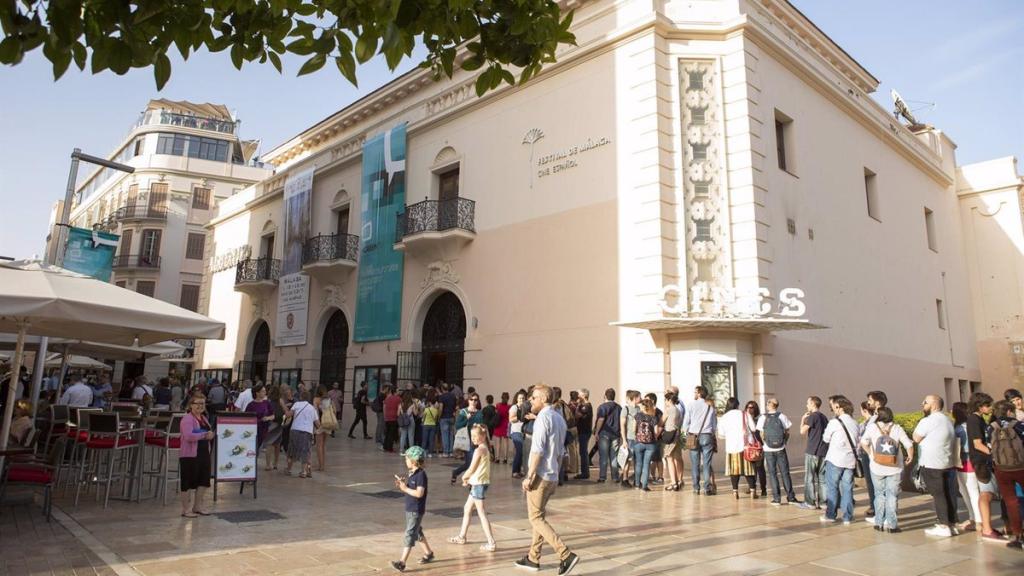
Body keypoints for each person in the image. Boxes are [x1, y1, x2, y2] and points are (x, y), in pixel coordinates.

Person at [514, 383, 579, 575]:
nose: (530, 401)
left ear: (543, 399)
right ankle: (533, 558)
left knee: (535, 518)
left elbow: (538, 450)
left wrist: (530, 476)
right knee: (539, 517)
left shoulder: (543, 418)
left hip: (541, 475)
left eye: (533, 398)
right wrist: (556, 474)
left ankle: (565, 554)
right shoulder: (558, 418)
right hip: (552, 474)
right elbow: (560, 450)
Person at [859, 406, 914, 533]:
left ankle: (878, 523)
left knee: (879, 495)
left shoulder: (872, 427)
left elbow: (863, 442)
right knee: (892, 496)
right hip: (895, 468)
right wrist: (910, 456)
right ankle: (892, 525)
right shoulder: (897, 428)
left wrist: (871, 455)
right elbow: (908, 444)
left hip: (876, 467)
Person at [912, 394, 959, 537]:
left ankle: (943, 525)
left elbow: (916, 437)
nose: (922, 404)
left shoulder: (928, 421)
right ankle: (952, 524)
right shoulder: (947, 420)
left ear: (933, 405)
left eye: (925, 402)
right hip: (947, 462)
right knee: (948, 494)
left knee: (938, 494)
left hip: (932, 463)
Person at [959, 393, 1003, 540]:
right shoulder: (973, 420)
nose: (990, 408)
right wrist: (994, 454)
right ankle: (986, 528)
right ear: (979, 406)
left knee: (986, 493)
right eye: (987, 405)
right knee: (986, 494)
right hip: (981, 462)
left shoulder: (979, 419)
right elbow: (977, 444)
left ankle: (986, 527)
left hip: (983, 461)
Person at [449, 424, 498, 551]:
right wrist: (469, 479)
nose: (473, 438)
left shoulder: (479, 450)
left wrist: (464, 477)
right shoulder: (485, 448)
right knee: (467, 508)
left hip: (478, 485)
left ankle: (491, 542)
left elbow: (472, 468)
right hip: (479, 483)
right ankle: (462, 536)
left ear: (483, 436)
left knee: (481, 512)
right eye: (472, 436)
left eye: (476, 436)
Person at [391, 446, 436, 572]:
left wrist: (405, 489)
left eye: (407, 459)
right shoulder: (413, 473)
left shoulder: (421, 475)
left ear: (414, 461)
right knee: (417, 531)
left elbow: (419, 493)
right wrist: (403, 484)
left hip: (416, 510)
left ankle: (402, 562)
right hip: (411, 508)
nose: (405, 461)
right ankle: (428, 553)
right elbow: (412, 488)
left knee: (410, 534)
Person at [989, 399, 1024, 549]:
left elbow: (989, 447)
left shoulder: (991, 427)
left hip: (1002, 469)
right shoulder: (1019, 425)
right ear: (1009, 411)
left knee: (1011, 502)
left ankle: (1017, 535)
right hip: (1021, 467)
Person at [821, 395, 859, 525]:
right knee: (848, 489)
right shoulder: (855, 423)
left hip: (835, 459)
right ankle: (848, 517)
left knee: (832, 488)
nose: (833, 410)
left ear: (839, 407)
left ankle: (831, 515)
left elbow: (825, 438)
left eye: (834, 407)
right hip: (850, 461)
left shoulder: (834, 422)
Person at [757, 398, 798, 505]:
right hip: (781, 448)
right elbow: (787, 431)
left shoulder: (763, 417)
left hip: (768, 449)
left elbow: (761, 433)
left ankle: (777, 499)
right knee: (785, 473)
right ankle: (791, 497)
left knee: (772, 474)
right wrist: (784, 442)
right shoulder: (782, 416)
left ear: (769, 405)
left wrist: (765, 443)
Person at [179, 393, 214, 518]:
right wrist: (204, 435)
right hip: (189, 455)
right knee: (187, 482)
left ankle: (197, 506)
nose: (200, 406)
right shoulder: (187, 419)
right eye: (197, 403)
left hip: (203, 453)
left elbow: (208, 432)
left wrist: (210, 435)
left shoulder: (204, 418)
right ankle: (186, 509)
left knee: (203, 480)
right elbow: (188, 436)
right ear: (191, 405)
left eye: (202, 403)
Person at [719, 397, 757, 499]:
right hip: (746, 446)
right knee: (748, 469)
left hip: (732, 447)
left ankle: (735, 491)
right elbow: (753, 428)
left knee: (734, 470)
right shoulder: (745, 414)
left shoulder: (724, 417)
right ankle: (752, 490)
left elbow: (721, 435)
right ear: (737, 405)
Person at [683, 385, 717, 495]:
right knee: (707, 464)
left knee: (695, 464)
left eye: (695, 392)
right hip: (707, 435)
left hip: (692, 435)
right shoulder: (710, 407)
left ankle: (696, 488)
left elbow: (686, 422)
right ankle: (707, 488)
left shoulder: (691, 405)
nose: (694, 394)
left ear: (699, 393)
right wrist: (712, 434)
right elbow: (714, 424)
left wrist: (686, 433)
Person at [799, 396, 829, 510]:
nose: (806, 405)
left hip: (812, 451)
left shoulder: (812, 416)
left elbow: (802, 431)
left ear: (812, 404)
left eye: (808, 403)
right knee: (822, 479)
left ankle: (810, 502)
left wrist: (803, 419)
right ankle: (823, 502)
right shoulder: (824, 417)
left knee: (809, 478)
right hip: (823, 451)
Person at [286, 389, 319, 478]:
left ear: (301, 397)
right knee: (305, 451)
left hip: (295, 429)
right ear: (309, 398)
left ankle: (289, 469)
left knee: (292, 450)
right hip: (307, 432)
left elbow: (288, 415)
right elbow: (317, 423)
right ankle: (304, 471)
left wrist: (284, 407)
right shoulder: (312, 408)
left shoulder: (296, 404)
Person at [452, 393, 485, 483]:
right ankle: (471, 481)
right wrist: (467, 419)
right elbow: (458, 425)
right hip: (467, 440)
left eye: (475, 400)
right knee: (471, 462)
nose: (473, 401)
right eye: (471, 399)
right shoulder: (463, 412)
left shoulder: (479, 412)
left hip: (477, 440)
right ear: (468, 400)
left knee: (469, 463)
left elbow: (482, 425)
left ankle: (455, 472)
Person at [593, 388, 622, 483]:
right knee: (614, 456)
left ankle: (602, 477)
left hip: (604, 434)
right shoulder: (619, 407)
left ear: (605, 396)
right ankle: (615, 477)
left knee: (603, 456)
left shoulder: (602, 407)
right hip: (616, 434)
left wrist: (596, 432)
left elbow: (601, 420)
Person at [632, 397, 661, 491]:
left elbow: (633, 429)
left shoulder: (637, 416)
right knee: (646, 464)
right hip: (651, 444)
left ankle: (637, 484)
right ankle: (644, 485)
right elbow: (656, 432)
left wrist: (637, 436)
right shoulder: (653, 418)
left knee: (638, 463)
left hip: (638, 443)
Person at [245, 384, 276, 470]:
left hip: (264, 430)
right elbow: (246, 418)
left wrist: (268, 418)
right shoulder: (251, 405)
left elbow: (273, 415)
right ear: (257, 393)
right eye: (263, 391)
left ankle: (252, 468)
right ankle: (250, 467)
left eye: (265, 391)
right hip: (253, 430)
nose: (265, 392)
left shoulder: (267, 403)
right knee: (253, 449)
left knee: (258, 449)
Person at [659, 391, 682, 491]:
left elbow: (661, 422)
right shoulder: (678, 410)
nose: (665, 402)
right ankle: (676, 481)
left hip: (669, 436)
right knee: (674, 458)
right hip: (676, 435)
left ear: (669, 400)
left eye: (665, 400)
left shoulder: (668, 410)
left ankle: (673, 483)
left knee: (669, 459)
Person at [618, 390, 641, 488]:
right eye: (639, 397)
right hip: (629, 438)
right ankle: (625, 479)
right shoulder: (625, 409)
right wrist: (624, 440)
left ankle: (637, 480)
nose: (641, 399)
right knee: (628, 459)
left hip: (639, 439)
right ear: (634, 398)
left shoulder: (639, 409)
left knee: (638, 460)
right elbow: (622, 426)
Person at [745, 400, 767, 497]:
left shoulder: (759, 419)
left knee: (760, 468)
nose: (749, 409)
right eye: (747, 407)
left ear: (755, 409)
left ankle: (763, 489)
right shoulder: (745, 418)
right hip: (749, 446)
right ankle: (752, 487)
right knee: (750, 468)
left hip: (758, 446)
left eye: (751, 407)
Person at [574, 389, 593, 480]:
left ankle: (585, 473)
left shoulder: (586, 406)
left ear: (584, 396)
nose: (578, 396)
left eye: (579, 394)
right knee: (582, 452)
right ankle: (584, 472)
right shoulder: (583, 405)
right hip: (582, 431)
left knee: (583, 452)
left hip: (584, 432)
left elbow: (577, 415)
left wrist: (577, 406)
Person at [509, 389, 528, 478]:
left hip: (523, 432)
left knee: (522, 452)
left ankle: (518, 470)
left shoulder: (525, 408)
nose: (521, 400)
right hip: (516, 432)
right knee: (519, 451)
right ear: (517, 399)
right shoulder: (514, 407)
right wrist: (520, 416)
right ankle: (514, 471)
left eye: (523, 398)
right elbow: (511, 419)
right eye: (520, 398)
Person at [313, 385, 331, 471]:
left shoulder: (316, 399)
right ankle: (323, 464)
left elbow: (315, 412)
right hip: (328, 423)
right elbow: (334, 410)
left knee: (319, 445)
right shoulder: (328, 399)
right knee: (324, 445)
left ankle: (321, 466)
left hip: (320, 423)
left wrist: (317, 424)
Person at [438, 384, 457, 457]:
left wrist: (439, 416)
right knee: (451, 435)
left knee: (445, 435)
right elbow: (455, 406)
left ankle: (446, 452)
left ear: (442, 388)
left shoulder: (442, 396)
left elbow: (441, 408)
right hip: (451, 417)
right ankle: (451, 452)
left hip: (444, 417)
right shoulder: (453, 396)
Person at [494, 392, 512, 464]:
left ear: (501, 397)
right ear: (508, 398)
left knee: (498, 442)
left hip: (498, 425)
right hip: (506, 425)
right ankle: (505, 458)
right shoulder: (509, 407)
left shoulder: (497, 405)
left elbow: (495, 414)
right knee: (506, 442)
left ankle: (497, 458)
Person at [421, 390, 440, 455]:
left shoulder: (426, 409)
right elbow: (436, 418)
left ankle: (423, 452)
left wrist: (422, 421)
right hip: (433, 425)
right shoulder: (436, 410)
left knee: (424, 439)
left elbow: (423, 417)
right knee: (431, 440)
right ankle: (430, 453)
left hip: (426, 425)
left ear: (430, 403)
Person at [383, 386, 402, 453]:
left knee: (387, 433)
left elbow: (384, 407)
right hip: (394, 418)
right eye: (398, 390)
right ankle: (390, 448)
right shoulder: (399, 399)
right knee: (391, 434)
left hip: (387, 417)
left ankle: (385, 446)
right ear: (395, 392)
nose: (399, 392)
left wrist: (385, 416)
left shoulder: (387, 398)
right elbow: (399, 408)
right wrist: (398, 415)